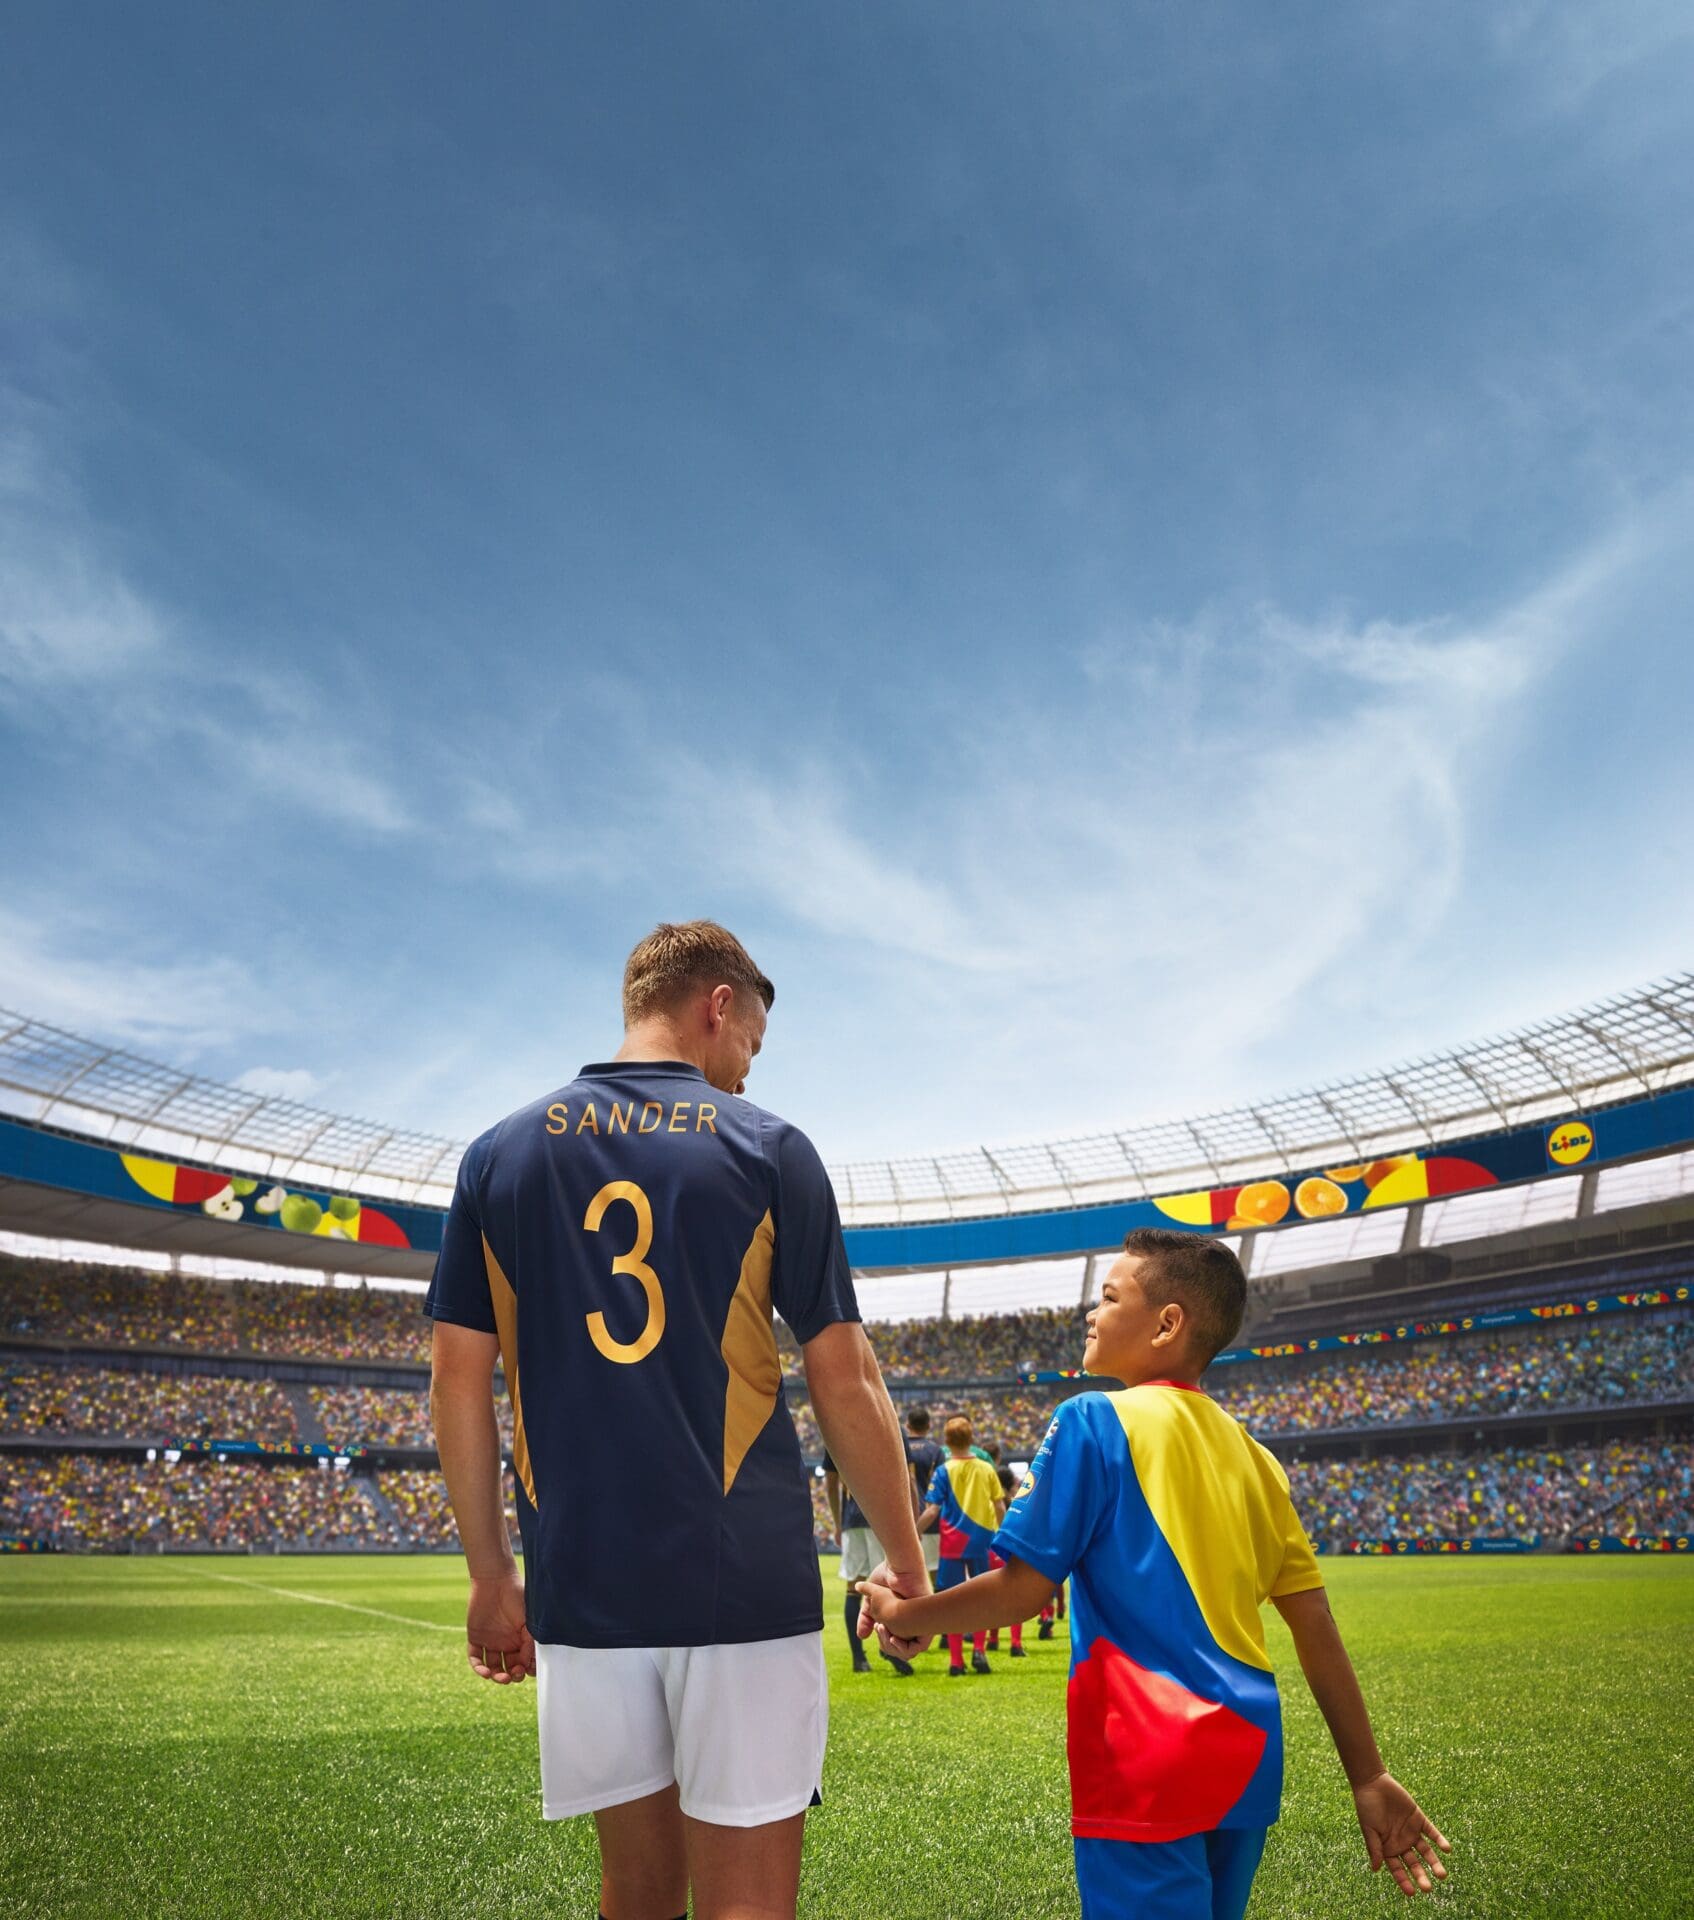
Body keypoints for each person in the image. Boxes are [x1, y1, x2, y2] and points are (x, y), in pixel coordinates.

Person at [429, 920, 927, 1920]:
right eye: (751, 1044)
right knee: (747, 1902)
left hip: (582, 1581)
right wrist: (908, 1567)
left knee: (638, 1888)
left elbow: (456, 1381)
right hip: (738, 1576)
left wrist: (490, 1575)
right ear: (718, 1005)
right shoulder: (769, 1146)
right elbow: (844, 1377)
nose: (745, 1070)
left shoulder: (496, 1156)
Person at [861, 1227, 1451, 1919]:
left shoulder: (1091, 1420)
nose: (1091, 1313)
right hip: (1247, 1759)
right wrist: (1368, 1774)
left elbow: (1023, 1591)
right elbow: (1314, 1625)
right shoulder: (1259, 1461)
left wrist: (906, 1615)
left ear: (1168, 1324)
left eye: (1110, 1298)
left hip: (1143, 1754)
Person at [918, 1414, 1005, 1675]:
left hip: (953, 1542)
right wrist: (1004, 1534)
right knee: (982, 1598)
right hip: (982, 1540)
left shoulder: (943, 1471)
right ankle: (979, 1651)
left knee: (952, 1601)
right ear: (971, 1438)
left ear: (946, 1441)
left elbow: (932, 1510)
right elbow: (999, 1506)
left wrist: (914, 1531)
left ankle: (956, 1661)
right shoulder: (986, 1469)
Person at [823, 1446, 915, 1676]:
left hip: (852, 1520)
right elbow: (905, 1477)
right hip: (881, 1518)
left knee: (854, 1587)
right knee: (888, 1586)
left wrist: (838, 1523)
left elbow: (831, 1483)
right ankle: (890, 1648)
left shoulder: (833, 1429)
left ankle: (859, 1658)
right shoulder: (893, 1428)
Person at [902, 1406, 943, 1585]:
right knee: (935, 1572)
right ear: (928, 1426)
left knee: (905, 1577)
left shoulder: (898, 1448)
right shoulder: (935, 1451)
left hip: (903, 1520)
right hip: (930, 1520)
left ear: (907, 1425)